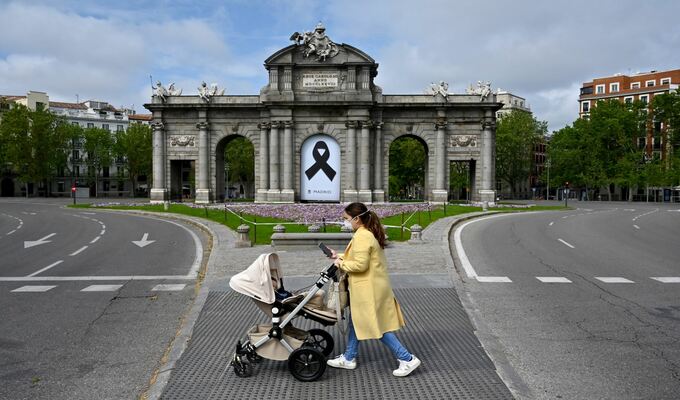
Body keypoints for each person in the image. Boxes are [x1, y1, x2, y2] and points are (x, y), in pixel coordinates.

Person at [325, 202, 422, 377]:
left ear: (357, 219)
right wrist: (337, 256)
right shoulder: (366, 233)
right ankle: (349, 357)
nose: (345, 222)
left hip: (368, 290)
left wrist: (340, 263)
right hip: (373, 287)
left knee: (374, 325)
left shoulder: (362, 236)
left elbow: (360, 265)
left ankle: (406, 358)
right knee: (356, 321)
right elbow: (360, 258)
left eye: (346, 219)